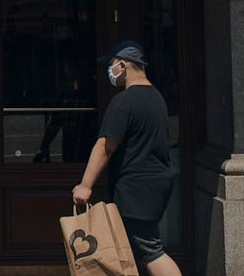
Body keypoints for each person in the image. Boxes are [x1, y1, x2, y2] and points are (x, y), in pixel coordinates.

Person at [72, 40, 181, 276]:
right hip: (154, 185)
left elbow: (105, 146)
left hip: (136, 189)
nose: (109, 72)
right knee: (132, 250)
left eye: (111, 66)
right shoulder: (157, 98)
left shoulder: (124, 101)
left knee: (150, 251)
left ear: (123, 65)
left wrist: (84, 185)